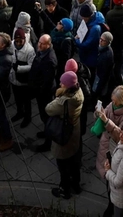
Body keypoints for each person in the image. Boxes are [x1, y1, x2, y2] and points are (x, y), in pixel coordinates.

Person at [47, 70, 84, 200]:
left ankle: (65, 190)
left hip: (64, 136)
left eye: (62, 83)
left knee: (63, 167)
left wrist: (59, 96)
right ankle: (76, 185)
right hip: (75, 133)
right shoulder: (79, 93)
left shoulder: (64, 102)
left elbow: (49, 109)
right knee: (75, 164)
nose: (60, 84)